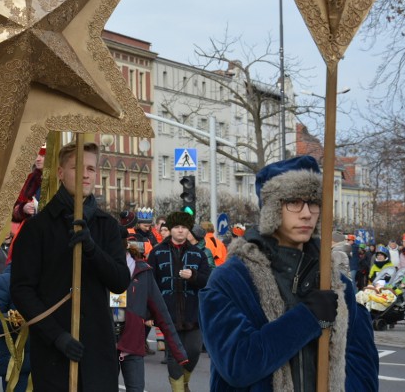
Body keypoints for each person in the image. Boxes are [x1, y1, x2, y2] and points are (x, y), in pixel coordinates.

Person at [199, 155, 379, 390]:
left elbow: (362, 367)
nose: (306, 214)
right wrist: (307, 318)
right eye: (294, 202)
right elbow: (238, 364)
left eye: (313, 203)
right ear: (273, 209)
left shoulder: (336, 283)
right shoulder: (231, 280)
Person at [11, 141, 129, 392]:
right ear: (60, 173)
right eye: (77, 167)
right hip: (55, 357)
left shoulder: (106, 226)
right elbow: (22, 291)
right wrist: (57, 336)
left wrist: (92, 249)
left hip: (98, 356)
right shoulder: (37, 228)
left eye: (91, 168)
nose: (86, 174)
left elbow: (120, 280)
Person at [146, 211, 211, 391]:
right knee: (174, 355)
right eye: (177, 227)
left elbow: (207, 281)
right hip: (168, 313)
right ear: (170, 229)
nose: (180, 231)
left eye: (184, 228)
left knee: (194, 352)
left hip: (193, 313)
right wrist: (150, 312)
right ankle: (178, 389)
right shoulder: (157, 253)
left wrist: (194, 276)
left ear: (188, 230)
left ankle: (184, 383)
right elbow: (150, 284)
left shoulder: (198, 254)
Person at [118, 230, 187, 392]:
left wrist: (178, 351)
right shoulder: (101, 268)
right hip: (106, 345)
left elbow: (161, 313)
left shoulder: (143, 272)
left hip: (133, 344)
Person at [0, 238, 31, 392]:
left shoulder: (47, 282)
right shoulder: (3, 282)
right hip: (16, 367)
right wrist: (13, 320)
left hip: (46, 366)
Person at [12, 146, 46, 231]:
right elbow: (14, 210)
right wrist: (23, 208)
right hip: (32, 230)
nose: (37, 159)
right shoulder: (29, 179)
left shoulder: (61, 178)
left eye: (42, 155)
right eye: (36, 154)